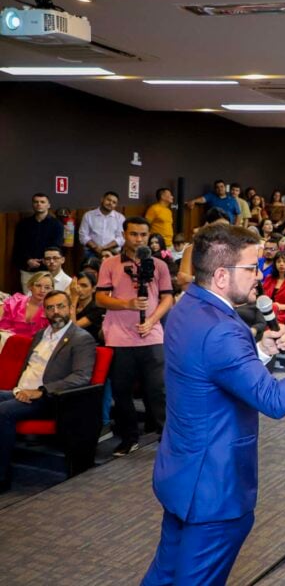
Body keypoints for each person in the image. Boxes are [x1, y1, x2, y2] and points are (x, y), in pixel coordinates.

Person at [141, 222, 285, 584]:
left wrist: (260, 353)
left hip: (182, 474)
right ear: (220, 275)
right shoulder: (222, 328)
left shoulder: (187, 308)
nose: (258, 276)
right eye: (250, 268)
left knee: (164, 575)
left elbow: (210, 372)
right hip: (214, 489)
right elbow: (275, 399)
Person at [0, 290, 96, 492]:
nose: (56, 311)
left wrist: (42, 391)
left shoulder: (81, 338)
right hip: (21, 391)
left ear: (70, 308)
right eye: (50, 308)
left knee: (3, 412)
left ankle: (2, 477)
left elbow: (81, 377)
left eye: (60, 306)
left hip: (52, 399)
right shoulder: (40, 335)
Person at [96, 217, 174, 456]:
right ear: (124, 234)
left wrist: (151, 320)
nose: (139, 239)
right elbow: (100, 298)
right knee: (121, 392)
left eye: (143, 235)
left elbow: (167, 297)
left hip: (152, 336)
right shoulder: (109, 264)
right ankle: (129, 438)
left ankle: (168, 438)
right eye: (134, 234)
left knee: (158, 391)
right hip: (119, 338)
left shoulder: (159, 265)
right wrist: (127, 304)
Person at [12, 193, 64, 293]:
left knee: (47, 299)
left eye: (42, 202)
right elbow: (19, 247)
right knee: (27, 300)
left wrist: (43, 260)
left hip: (48, 269)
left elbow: (56, 246)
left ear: (48, 205)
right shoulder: (23, 224)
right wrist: (28, 260)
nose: (39, 204)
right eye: (36, 202)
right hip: (28, 269)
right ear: (32, 204)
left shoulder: (57, 225)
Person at [79, 191, 126, 260]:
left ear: (116, 205)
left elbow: (121, 238)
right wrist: (96, 248)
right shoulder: (89, 215)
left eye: (114, 202)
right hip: (91, 252)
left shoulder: (120, 218)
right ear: (102, 199)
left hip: (113, 252)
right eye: (108, 200)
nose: (110, 203)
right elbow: (83, 235)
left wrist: (105, 248)